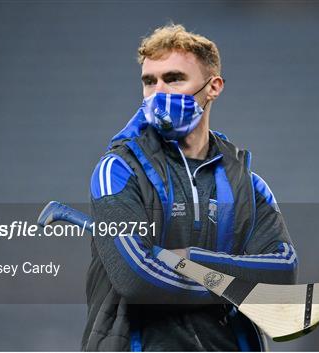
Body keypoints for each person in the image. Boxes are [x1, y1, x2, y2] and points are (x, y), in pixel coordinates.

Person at [82, 24, 298, 351]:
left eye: (174, 78)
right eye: (149, 81)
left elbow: (282, 272)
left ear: (213, 87)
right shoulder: (117, 171)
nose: (158, 91)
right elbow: (136, 281)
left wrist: (184, 259)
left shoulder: (248, 185)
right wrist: (233, 285)